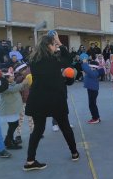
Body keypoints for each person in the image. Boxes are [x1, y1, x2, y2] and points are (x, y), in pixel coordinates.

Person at [23, 33, 79, 171]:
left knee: (38, 129)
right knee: (65, 126)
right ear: (49, 46)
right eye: (54, 44)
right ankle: (74, 152)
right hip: (55, 99)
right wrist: (60, 43)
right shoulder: (55, 60)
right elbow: (68, 59)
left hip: (38, 99)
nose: (56, 46)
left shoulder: (34, 60)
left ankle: (30, 161)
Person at [0, 68, 29, 149]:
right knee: (13, 125)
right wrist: (23, 83)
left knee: (13, 125)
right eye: (11, 76)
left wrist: (24, 84)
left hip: (12, 109)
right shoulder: (2, 85)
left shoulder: (10, 83)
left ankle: (9, 140)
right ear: (6, 78)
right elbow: (13, 89)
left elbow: (18, 87)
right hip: (9, 109)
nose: (13, 77)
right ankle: (8, 142)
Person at [14, 63, 33, 144]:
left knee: (31, 117)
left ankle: (33, 132)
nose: (26, 71)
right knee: (20, 119)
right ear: (20, 71)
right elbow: (17, 82)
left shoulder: (29, 76)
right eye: (24, 70)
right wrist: (23, 78)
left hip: (29, 99)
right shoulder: (18, 78)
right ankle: (18, 135)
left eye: (26, 69)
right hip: (20, 101)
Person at [82, 60, 102, 124]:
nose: (89, 68)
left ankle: (95, 118)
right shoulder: (93, 72)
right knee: (92, 104)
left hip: (93, 90)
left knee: (92, 105)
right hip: (91, 89)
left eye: (90, 67)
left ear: (93, 67)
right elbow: (87, 70)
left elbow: (87, 70)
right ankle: (96, 117)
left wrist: (85, 63)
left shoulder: (94, 72)